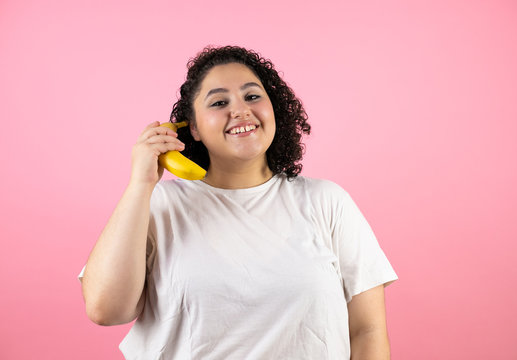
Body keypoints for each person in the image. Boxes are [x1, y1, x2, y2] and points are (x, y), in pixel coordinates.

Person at [79, 45, 398, 359]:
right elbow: (106, 309)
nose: (241, 110)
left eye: (253, 96)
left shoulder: (328, 202)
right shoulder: (159, 205)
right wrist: (140, 184)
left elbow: (367, 331)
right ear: (193, 129)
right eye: (219, 102)